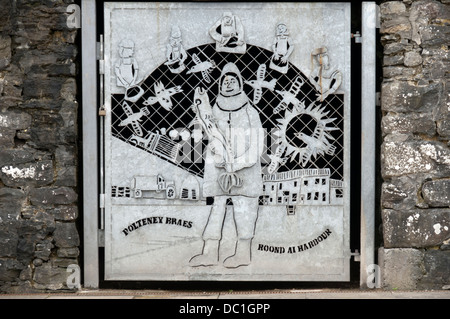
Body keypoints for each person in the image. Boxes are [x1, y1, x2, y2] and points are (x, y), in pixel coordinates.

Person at [190, 62, 264, 268]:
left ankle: (243, 254)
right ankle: (209, 253)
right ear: (220, 85)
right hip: (218, 171)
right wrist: (201, 106)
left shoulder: (251, 112)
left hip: (245, 174)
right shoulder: (214, 109)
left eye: (233, 80)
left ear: (240, 84)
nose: (229, 83)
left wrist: (239, 164)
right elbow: (208, 130)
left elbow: (257, 144)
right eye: (225, 80)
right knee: (216, 209)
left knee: (245, 209)